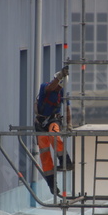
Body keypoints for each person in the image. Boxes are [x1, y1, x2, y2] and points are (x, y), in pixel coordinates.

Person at [34, 66, 74, 194]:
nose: (58, 89)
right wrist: (59, 77)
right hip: (40, 123)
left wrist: (69, 124)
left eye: (60, 87)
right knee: (45, 154)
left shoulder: (62, 91)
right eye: (59, 86)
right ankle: (52, 184)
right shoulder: (45, 87)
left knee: (54, 135)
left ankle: (65, 161)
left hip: (53, 120)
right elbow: (51, 87)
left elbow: (67, 108)